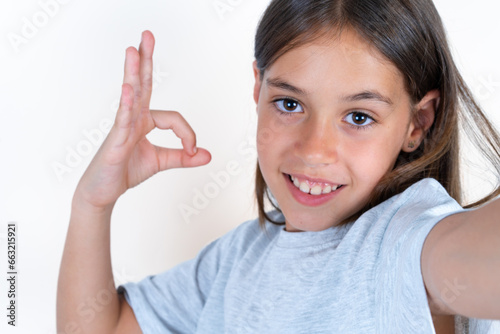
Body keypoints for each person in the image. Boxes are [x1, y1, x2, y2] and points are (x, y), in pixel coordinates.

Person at [57, 0, 500, 333]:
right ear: (258, 88)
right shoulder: (236, 259)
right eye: (289, 104)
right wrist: (92, 203)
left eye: (359, 117)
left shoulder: (404, 243)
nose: (314, 150)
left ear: (417, 123)